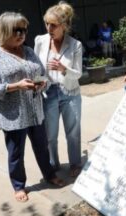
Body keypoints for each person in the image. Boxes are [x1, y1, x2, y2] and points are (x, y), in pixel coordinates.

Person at [0, 12, 65, 202]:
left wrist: (42, 82)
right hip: (12, 115)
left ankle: (49, 175)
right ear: (4, 30)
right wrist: (15, 86)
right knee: (16, 154)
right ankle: (19, 186)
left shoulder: (28, 50)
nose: (22, 34)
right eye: (16, 30)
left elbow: (42, 73)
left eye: (24, 29)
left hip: (35, 111)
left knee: (42, 148)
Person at [34, 1, 83, 177]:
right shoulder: (40, 41)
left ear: (63, 26)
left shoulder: (75, 45)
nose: (49, 28)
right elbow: (36, 68)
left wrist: (63, 69)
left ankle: (75, 163)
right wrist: (37, 82)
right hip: (48, 93)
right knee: (50, 135)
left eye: (53, 25)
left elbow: (78, 74)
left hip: (70, 92)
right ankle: (53, 165)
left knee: (73, 132)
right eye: (47, 23)